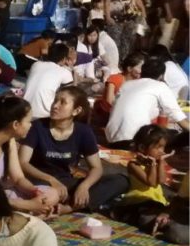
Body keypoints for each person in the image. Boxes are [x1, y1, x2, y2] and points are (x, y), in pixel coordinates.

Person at [19, 86, 128, 214]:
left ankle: (69, 207)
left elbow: (96, 167)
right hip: (39, 181)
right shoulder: (38, 127)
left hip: (66, 182)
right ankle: (63, 204)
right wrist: (51, 180)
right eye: (55, 100)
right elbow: (23, 162)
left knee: (121, 181)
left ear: (76, 111)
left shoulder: (83, 131)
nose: (55, 105)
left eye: (62, 102)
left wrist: (84, 186)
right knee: (43, 195)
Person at [112, 125, 182, 240]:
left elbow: (161, 180)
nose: (162, 151)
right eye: (158, 147)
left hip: (156, 200)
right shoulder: (134, 165)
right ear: (142, 147)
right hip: (139, 200)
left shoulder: (158, 162)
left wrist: (161, 162)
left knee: (168, 209)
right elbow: (151, 183)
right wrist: (153, 164)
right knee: (145, 216)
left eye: (163, 147)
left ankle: (165, 225)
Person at [105, 57, 188, 146]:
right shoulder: (160, 86)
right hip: (134, 141)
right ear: (161, 76)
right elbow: (178, 117)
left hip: (111, 139)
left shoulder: (127, 85)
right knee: (183, 136)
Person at [22, 43, 74, 119]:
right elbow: (71, 94)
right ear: (64, 59)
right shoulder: (64, 72)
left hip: (24, 111)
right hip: (45, 116)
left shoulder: (36, 64)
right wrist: (72, 70)